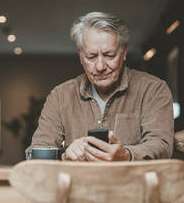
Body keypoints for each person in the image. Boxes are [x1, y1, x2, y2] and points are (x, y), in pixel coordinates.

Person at [27, 12, 174, 161]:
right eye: (91, 57)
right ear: (80, 55)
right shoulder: (60, 96)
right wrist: (64, 155)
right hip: (77, 183)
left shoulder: (153, 90)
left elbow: (162, 145)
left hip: (132, 183)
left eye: (109, 55)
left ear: (124, 52)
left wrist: (126, 155)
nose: (100, 66)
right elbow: (37, 151)